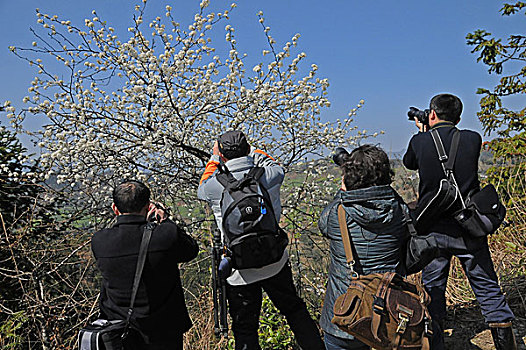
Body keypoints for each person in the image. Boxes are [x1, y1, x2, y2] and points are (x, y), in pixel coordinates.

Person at [403, 93, 517, 350]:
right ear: (459, 116)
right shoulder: (472, 138)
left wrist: (423, 131)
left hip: (432, 230)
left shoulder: (419, 141)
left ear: (432, 114)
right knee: (488, 289)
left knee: (433, 290)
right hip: (468, 227)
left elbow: (410, 163)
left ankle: (436, 343)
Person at [197, 130, 325, 350]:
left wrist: (214, 157)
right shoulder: (269, 175)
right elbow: (274, 164)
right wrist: (253, 151)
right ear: (248, 150)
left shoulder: (214, 186)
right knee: (295, 311)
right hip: (274, 259)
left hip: (239, 270)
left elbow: (202, 186)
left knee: (245, 329)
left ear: (223, 155)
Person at [318, 145, 408, 350]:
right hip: (387, 318)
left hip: (343, 318)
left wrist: (344, 190)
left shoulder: (336, 214)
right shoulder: (399, 211)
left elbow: (323, 225)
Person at [91, 180, 199, 350]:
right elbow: (191, 250)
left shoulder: (99, 241)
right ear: (148, 206)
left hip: (119, 331)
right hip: (163, 330)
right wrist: (165, 220)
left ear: (114, 208)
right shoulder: (165, 235)